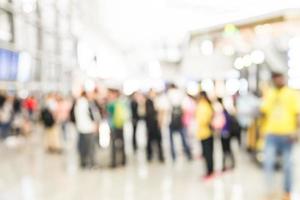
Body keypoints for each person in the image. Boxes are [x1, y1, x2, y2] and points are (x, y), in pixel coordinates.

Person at [261, 72, 300, 200]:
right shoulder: (270, 93)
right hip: (271, 134)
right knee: (268, 162)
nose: (278, 80)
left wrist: (296, 131)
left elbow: (297, 113)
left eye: (280, 77)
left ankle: (287, 191)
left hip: (287, 135)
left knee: (288, 164)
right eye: (276, 78)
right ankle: (270, 190)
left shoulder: (292, 93)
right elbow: (264, 112)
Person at [167, 83, 192, 161]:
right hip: (180, 121)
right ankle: (188, 154)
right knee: (184, 138)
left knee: (173, 140)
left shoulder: (169, 95)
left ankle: (174, 156)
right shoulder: (181, 95)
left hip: (173, 121)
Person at [75, 91, 98, 169]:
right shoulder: (88, 103)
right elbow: (93, 116)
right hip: (89, 128)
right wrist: (95, 125)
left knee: (83, 147)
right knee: (90, 148)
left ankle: (83, 163)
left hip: (80, 128)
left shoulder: (77, 104)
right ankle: (92, 163)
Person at [196, 91, 214, 179]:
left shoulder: (203, 106)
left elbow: (203, 120)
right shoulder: (206, 105)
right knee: (208, 153)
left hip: (205, 132)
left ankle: (210, 171)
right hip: (205, 132)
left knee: (208, 154)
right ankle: (209, 171)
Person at [107, 88, 126, 168]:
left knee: (114, 144)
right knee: (121, 143)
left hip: (113, 125)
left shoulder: (111, 104)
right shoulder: (121, 103)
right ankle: (123, 160)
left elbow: (108, 113)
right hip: (121, 124)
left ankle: (114, 162)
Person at [145, 90, 165, 163]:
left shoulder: (157, 101)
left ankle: (160, 156)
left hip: (156, 125)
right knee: (150, 141)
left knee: (159, 141)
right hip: (150, 125)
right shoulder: (148, 102)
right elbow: (148, 113)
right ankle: (150, 156)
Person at [217, 98, 235, 172]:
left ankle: (225, 165)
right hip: (227, 133)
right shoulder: (226, 113)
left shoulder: (223, 114)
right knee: (228, 149)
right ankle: (230, 164)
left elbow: (221, 124)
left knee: (225, 150)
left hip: (225, 133)